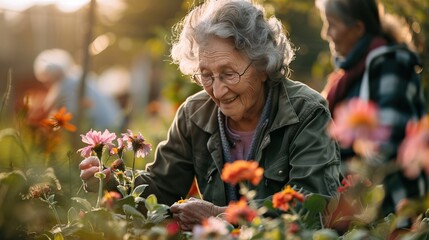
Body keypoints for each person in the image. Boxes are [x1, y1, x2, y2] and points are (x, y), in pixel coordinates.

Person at [80, 0, 341, 231]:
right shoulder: (194, 114)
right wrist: (112, 181)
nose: (217, 90)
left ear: (263, 65)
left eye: (229, 74)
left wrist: (222, 216)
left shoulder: (306, 112)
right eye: (206, 75)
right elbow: (161, 188)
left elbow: (312, 204)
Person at [315, 0, 428, 227]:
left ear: (358, 28)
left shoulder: (391, 64)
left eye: (332, 24)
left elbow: (390, 142)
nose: (326, 33)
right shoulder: (349, 76)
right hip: (362, 211)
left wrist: (332, 172)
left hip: (392, 212)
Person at [33, 48, 124, 132]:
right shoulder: (76, 75)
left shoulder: (67, 84)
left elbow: (53, 108)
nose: (46, 84)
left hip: (100, 127)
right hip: (113, 120)